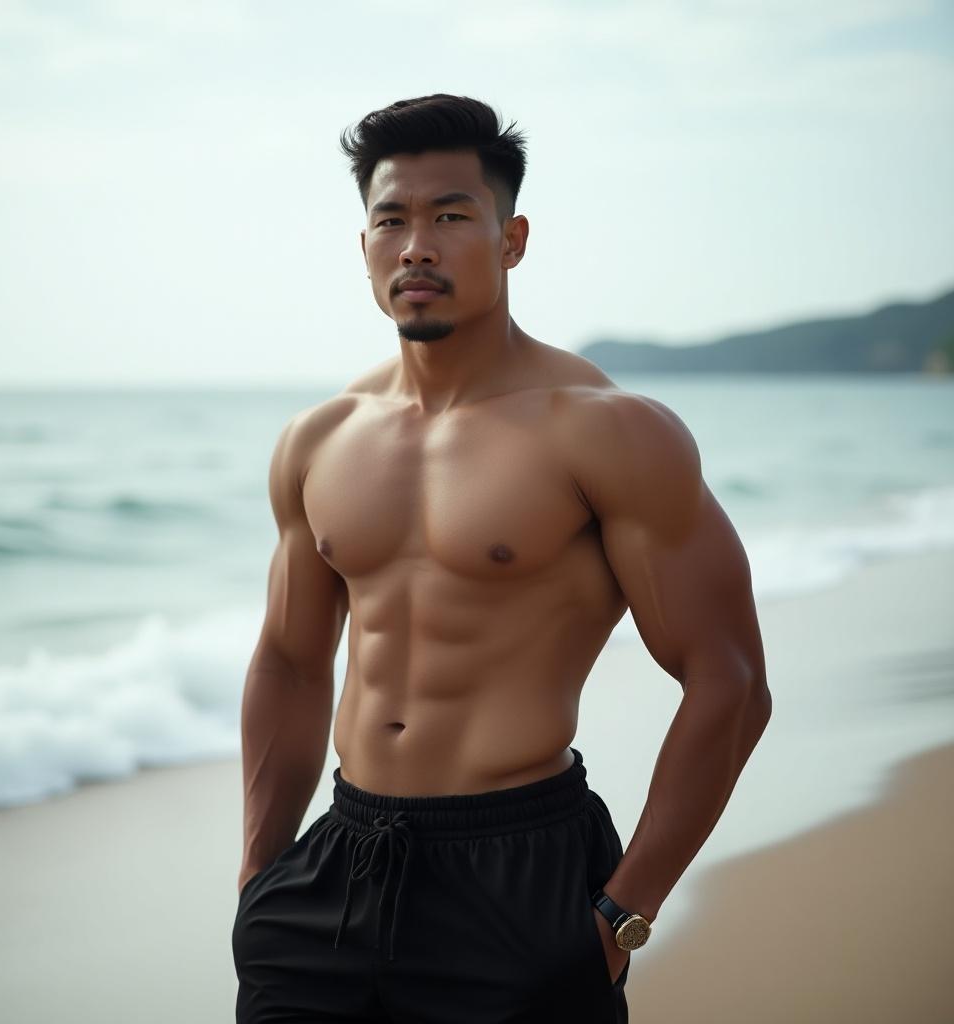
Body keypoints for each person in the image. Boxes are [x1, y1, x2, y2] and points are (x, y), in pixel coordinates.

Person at [232, 93, 772, 1023]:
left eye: (450, 216)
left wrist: (620, 916)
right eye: (391, 220)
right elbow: (289, 661)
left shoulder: (606, 431)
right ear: (363, 245)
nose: (417, 247)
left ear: (511, 239)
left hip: (520, 874)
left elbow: (729, 680)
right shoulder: (318, 440)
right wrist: (257, 880)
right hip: (331, 872)